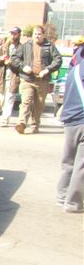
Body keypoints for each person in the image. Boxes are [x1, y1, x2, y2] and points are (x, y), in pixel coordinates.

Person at [10, 25, 62, 134]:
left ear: (43, 35)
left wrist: (47, 69)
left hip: (42, 81)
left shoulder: (49, 46)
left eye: (39, 34)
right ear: (32, 35)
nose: (37, 36)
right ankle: (21, 123)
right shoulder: (26, 45)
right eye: (35, 34)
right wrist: (23, 66)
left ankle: (35, 125)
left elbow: (58, 60)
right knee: (26, 101)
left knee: (39, 105)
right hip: (27, 79)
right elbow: (14, 58)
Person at [56, 45, 84, 213]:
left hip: (70, 118)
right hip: (82, 118)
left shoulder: (74, 67)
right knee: (81, 164)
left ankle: (61, 196)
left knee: (68, 162)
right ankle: (73, 203)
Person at [0, 27, 22, 127]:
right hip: (2, 76)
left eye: (14, 34)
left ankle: (5, 119)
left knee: (10, 98)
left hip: (14, 76)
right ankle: (5, 113)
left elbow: (22, 63)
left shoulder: (21, 48)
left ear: (19, 34)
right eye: (11, 33)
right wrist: (0, 58)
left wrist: (12, 63)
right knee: (2, 97)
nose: (12, 35)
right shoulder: (4, 46)